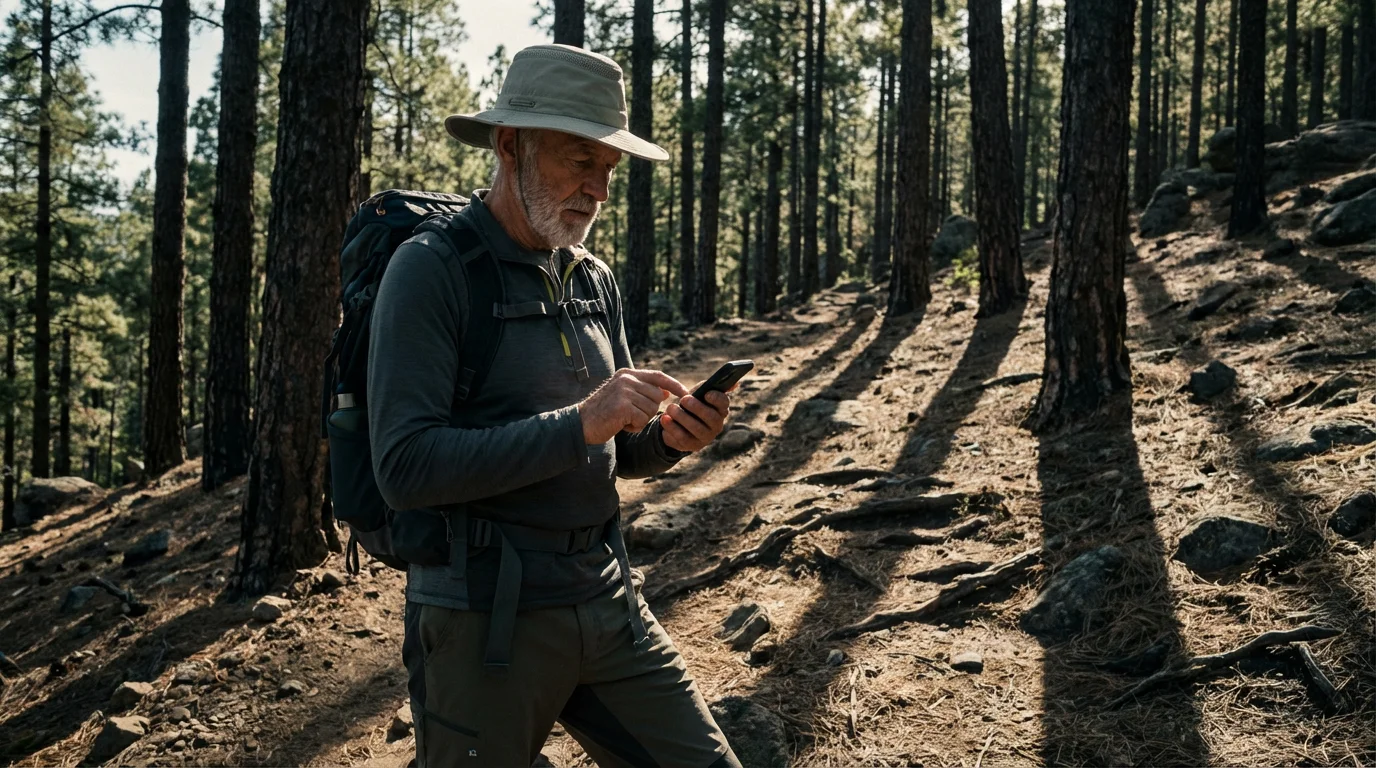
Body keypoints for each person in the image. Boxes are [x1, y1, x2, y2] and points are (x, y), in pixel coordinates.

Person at [366, 44, 743, 768]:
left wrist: (671, 440)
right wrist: (580, 423)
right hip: (483, 622)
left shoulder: (591, 276)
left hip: (607, 600)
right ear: (511, 145)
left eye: (609, 168)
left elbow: (617, 449)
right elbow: (405, 466)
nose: (599, 189)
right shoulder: (433, 269)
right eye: (580, 161)